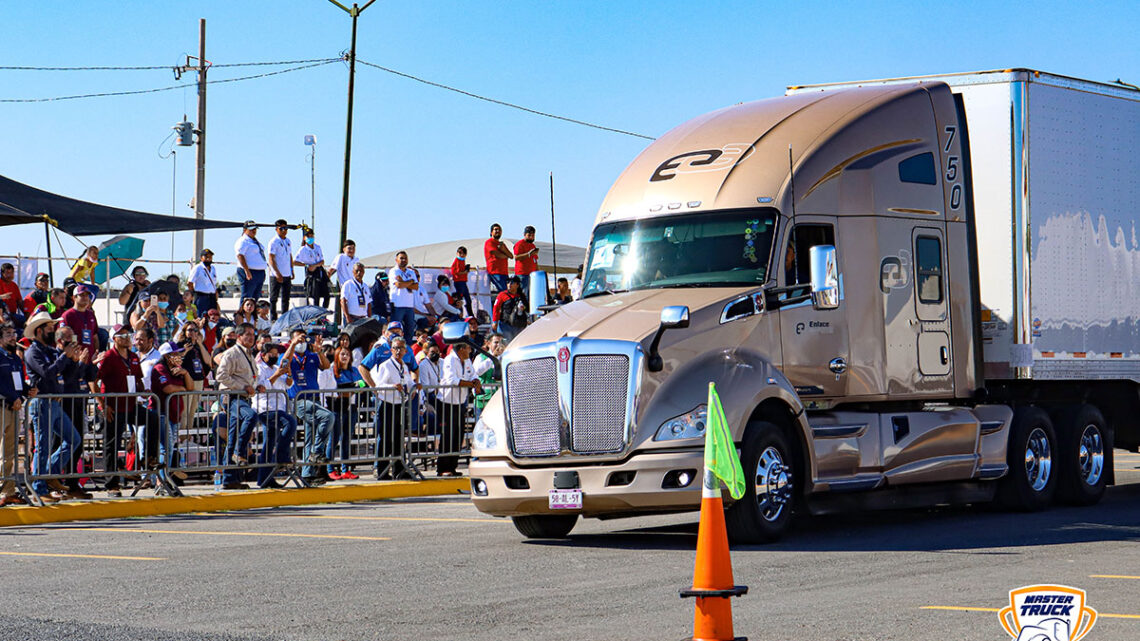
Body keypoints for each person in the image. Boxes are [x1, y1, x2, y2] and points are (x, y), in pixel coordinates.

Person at [22, 312, 86, 501]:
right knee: (42, 446)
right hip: (42, 402)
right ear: (40, 330)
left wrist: (74, 361)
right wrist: (65, 357)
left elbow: (66, 373)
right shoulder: (33, 352)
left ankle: (50, 474)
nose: (53, 330)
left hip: (55, 402)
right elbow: (48, 373)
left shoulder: (49, 350)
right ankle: (39, 488)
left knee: (73, 439)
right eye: (50, 327)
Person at [95, 324, 161, 497]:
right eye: (122, 335)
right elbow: (93, 381)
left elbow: (137, 378)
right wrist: (103, 404)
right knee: (112, 445)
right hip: (113, 407)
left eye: (128, 334)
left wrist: (143, 391)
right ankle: (111, 485)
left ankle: (149, 457)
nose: (127, 337)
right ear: (114, 339)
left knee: (152, 419)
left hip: (130, 405)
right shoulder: (109, 357)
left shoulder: (132, 356)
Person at [284, 329, 335, 485]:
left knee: (310, 436)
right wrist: (293, 345)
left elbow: (326, 366)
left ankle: (307, 473)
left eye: (303, 340)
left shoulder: (311, 356)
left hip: (314, 398)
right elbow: (283, 363)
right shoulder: (290, 355)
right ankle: (317, 451)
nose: (302, 343)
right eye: (299, 340)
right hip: (299, 400)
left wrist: (319, 351)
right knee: (328, 417)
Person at [213, 323, 260, 490]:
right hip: (233, 397)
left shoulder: (249, 354)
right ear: (239, 336)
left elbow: (248, 377)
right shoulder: (232, 353)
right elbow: (221, 375)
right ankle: (240, 452)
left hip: (244, 397)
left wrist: (256, 386)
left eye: (253, 335)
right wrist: (242, 388)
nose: (251, 337)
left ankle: (229, 478)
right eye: (247, 334)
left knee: (232, 438)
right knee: (251, 416)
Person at [369, 336, 414, 479]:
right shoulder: (385, 365)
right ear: (391, 350)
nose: (398, 351)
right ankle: (382, 470)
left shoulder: (404, 366)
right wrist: (392, 387)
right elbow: (379, 386)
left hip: (399, 405)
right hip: (386, 404)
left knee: (399, 438)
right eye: (395, 348)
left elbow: (408, 382)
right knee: (385, 438)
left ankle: (399, 470)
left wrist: (414, 387)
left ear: (405, 350)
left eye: (401, 348)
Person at [253, 342, 295, 488]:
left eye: (276, 353)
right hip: (265, 408)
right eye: (272, 353)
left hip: (279, 407)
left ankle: (264, 479)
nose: (275, 356)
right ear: (264, 355)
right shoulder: (259, 368)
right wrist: (277, 375)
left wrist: (288, 373)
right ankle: (281, 456)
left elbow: (288, 384)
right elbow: (262, 387)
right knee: (290, 422)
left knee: (269, 443)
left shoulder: (277, 368)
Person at [438, 341, 480, 477]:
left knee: (458, 435)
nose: (470, 351)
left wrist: (476, 381)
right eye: (468, 348)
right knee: (448, 435)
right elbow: (452, 380)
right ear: (462, 349)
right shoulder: (449, 360)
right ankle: (443, 467)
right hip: (447, 401)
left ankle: (453, 465)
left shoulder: (466, 361)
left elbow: (473, 374)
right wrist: (471, 384)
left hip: (460, 401)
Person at [150, 341, 192, 469]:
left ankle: (165, 477)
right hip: (162, 412)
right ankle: (162, 480)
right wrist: (182, 389)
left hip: (174, 414)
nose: (178, 356)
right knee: (165, 448)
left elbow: (191, 387)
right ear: (167, 356)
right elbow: (167, 388)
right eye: (175, 353)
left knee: (170, 447)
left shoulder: (178, 369)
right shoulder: (159, 368)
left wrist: (185, 373)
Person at [0, 322, 28, 505]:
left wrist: (28, 390)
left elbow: (18, 383)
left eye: (14, 333)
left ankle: (8, 491)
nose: (13, 337)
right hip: (2, 405)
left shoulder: (16, 358)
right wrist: (13, 397)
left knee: (9, 452)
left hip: (14, 407)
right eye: (8, 334)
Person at [330, 346, 363, 480]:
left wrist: (353, 388)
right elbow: (333, 388)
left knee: (347, 438)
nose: (345, 356)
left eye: (347, 354)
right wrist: (349, 388)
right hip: (336, 407)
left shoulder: (354, 370)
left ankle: (346, 469)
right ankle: (330, 468)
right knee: (334, 438)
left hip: (351, 406)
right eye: (342, 354)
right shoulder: (333, 369)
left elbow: (362, 385)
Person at [61, 285, 100, 371]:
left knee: (91, 383)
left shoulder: (91, 314)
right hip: (74, 361)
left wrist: (96, 353)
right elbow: (63, 340)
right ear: (74, 297)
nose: (85, 298)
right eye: (82, 295)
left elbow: (95, 336)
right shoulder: (67, 315)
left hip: (90, 359)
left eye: (87, 295)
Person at [267, 219, 296, 322]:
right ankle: (273, 319)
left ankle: (284, 319)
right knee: (274, 298)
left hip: (287, 273)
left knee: (285, 299)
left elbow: (290, 256)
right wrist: (277, 273)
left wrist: (292, 269)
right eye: (281, 229)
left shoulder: (288, 241)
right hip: (276, 275)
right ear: (276, 229)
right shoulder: (273, 241)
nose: (284, 230)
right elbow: (271, 258)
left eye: (285, 228)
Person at [295, 227, 329, 308]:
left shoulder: (317, 247)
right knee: (315, 296)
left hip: (319, 270)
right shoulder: (302, 250)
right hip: (311, 273)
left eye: (312, 236)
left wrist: (315, 265)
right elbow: (294, 262)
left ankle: (323, 312)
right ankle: (316, 314)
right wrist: (306, 265)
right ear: (305, 238)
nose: (310, 238)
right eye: (308, 236)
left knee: (326, 295)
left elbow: (322, 261)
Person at [234, 220, 268, 301]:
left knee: (255, 297)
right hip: (249, 271)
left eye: (255, 229)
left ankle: (253, 314)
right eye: (251, 229)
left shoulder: (255, 241)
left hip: (259, 272)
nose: (254, 231)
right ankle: (243, 313)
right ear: (245, 230)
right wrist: (247, 270)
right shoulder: (243, 241)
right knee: (247, 297)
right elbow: (240, 255)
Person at [388, 251, 419, 336]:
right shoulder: (394, 271)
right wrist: (410, 282)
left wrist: (404, 282)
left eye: (405, 258)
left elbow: (416, 286)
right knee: (396, 329)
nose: (403, 260)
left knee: (409, 330)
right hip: (397, 305)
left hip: (409, 305)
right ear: (396, 260)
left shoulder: (411, 272)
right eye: (401, 258)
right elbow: (399, 285)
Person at [492, 276, 529, 342]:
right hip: (505, 325)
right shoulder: (502, 295)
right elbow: (496, 308)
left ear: (517, 285)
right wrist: (495, 321)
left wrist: (524, 308)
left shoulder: (521, 296)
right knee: (505, 344)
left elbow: (528, 308)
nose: (509, 284)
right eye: (508, 282)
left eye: (512, 282)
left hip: (519, 325)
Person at [484, 223, 513, 294]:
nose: (498, 231)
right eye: (496, 229)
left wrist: (504, 249)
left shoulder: (502, 244)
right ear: (491, 232)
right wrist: (506, 255)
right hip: (495, 272)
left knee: (507, 292)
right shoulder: (489, 242)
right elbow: (498, 255)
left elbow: (511, 256)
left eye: (499, 230)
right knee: (505, 293)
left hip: (504, 272)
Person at [188, 249, 219, 314]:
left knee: (213, 318)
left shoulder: (213, 268)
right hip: (201, 297)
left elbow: (213, 283)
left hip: (212, 297)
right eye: (206, 257)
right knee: (201, 316)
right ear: (201, 258)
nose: (208, 259)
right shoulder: (198, 268)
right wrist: (193, 294)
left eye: (210, 257)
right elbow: (190, 283)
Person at [513, 225, 539, 297]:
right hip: (522, 274)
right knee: (524, 294)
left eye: (533, 235)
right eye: (529, 235)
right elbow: (516, 257)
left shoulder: (533, 246)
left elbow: (535, 260)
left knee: (531, 294)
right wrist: (528, 254)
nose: (531, 237)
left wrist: (538, 271)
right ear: (525, 235)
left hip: (532, 274)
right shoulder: (519, 244)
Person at [449, 245, 475, 317]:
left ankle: (468, 315)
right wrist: (464, 272)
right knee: (460, 300)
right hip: (459, 282)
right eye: (459, 252)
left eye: (462, 253)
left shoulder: (461, 261)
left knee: (466, 300)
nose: (461, 254)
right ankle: (459, 315)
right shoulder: (457, 261)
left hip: (462, 282)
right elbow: (455, 272)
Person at [0, 263, 24, 330]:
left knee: (26, 322)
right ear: (2, 273)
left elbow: (20, 302)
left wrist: (28, 314)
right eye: (7, 273)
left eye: (11, 273)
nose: (10, 275)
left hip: (13, 314)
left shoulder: (14, 285)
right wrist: (1, 296)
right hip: (3, 315)